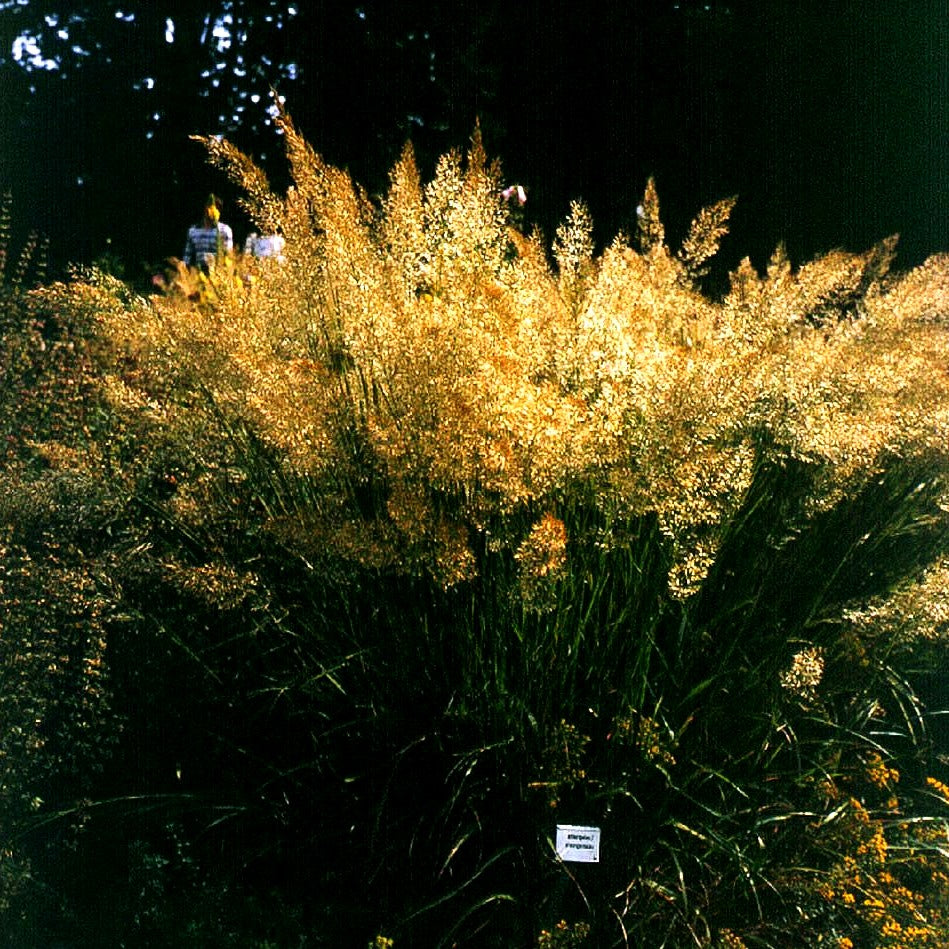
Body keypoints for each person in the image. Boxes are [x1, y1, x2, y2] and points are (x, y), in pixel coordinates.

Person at [183, 195, 233, 270]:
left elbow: (228, 255)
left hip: (218, 271)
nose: (208, 211)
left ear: (218, 211)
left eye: (212, 208)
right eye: (208, 207)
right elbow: (187, 257)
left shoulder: (225, 230)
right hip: (199, 271)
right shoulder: (193, 230)